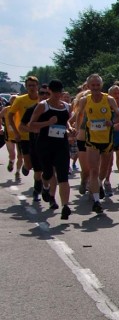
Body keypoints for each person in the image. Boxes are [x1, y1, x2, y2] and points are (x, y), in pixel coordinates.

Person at [75, 74, 119, 214]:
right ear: (88, 86)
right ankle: (96, 201)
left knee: (103, 171)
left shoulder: (109, 99)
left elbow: (118, 114)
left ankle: (99, 184)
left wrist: (112, 122)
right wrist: (77, 131)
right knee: (94, 170)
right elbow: (79, 116)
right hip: (91, 140)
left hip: (107, 140)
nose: (95, 88)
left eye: (97, 85)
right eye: (92, 85)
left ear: (101, 86)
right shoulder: (84, 100)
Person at [28, 80, 73, 219]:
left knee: (63, 176)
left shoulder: (66, 106)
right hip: (45, 144)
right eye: (56, 92)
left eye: (60, 91)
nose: (58, 94)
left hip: (61, 145)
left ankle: (65, 206)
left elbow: (66, 121)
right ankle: (45, 186)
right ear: (51, 92)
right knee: (47, 172)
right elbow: (31, 124)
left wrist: (70, 128)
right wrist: (48, 122)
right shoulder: (43, 106)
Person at [8, 76, 39, 183]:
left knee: (38, 163)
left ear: (37, 86)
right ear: (26, 87)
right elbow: (9, 116)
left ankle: (38, 185)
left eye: (34, 85)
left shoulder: (42, 99)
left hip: (38, 135)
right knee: (29, 164)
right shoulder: (20, 100)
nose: (32, 88)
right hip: (24, 136)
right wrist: (16, 132)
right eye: (29, 85)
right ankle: (26, 166)